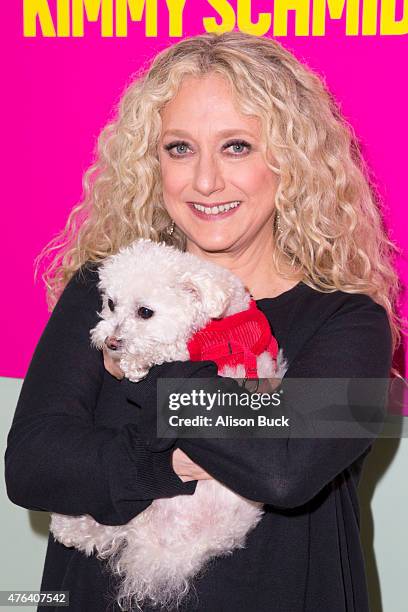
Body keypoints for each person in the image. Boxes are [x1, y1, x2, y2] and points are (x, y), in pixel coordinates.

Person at [4, 31, 403, 612]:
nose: (206, 181)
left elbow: (283, 468)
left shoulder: (353, 322)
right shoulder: (108, 287)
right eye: (180, 148)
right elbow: (33, 466)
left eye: (237, 146)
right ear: (153, 162)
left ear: (290, 160)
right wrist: (172, 458)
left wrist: (145, 375)